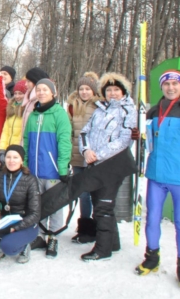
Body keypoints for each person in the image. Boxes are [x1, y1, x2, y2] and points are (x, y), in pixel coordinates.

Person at [77, 72, 136, 261]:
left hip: (112, 165)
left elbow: (123, 140)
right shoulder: (100, 109)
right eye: (109, 90)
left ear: (123, 91)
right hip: (94, 163)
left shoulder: (128, 110)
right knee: (100, 203)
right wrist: (86, 151)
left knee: (103, 206)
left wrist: (98, 155)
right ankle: (113, 241)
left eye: (116, 90)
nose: (112, 93)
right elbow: (85, 132)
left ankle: (103, 248)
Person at [137, 70, 180, 279]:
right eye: (167, 84)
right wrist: (138, 133)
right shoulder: (154, 110)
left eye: (175, 84)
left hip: (179, 177)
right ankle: (152, 257)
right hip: (155, 175)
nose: (171, 88)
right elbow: (146, 136)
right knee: (152, 218)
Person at [23, 78, 72, 258]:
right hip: (35, 170)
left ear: (53, 92)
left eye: (45, 89)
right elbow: (27, 141)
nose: (41, 92)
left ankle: (54, 236)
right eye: (39, 89)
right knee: (38, 203)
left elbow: (64, 142)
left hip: (52, 170)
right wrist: (26, 164)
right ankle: (41, 234)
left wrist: (62, 168)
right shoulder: (34, 115)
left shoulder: (59, 114)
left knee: (55, 205)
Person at [0, 145, 40, 265]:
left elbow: (35, 214)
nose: (11, 160)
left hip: (26, 222)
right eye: (8, 157)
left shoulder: (30, 180)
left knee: (9, 247)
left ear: (21, 160)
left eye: (15, 157)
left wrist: (15, 228)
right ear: (4, 159)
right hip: (6, 220)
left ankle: (24, 246)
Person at [67, 72, 100, 243]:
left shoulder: (100, 106)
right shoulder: (73, 105)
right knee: (83, 194)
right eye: (82, 89)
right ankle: (85, 228)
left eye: (88, 89)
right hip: (78, 157)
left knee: (96, 193)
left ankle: (98, 226)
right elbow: (69, 131)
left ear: (93, 91)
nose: (84, 92)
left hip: (95, 156)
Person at [0, 80, 27, 153]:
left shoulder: (27, 110)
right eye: (15, 93)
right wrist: (2, 148)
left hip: (19, 150)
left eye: (20, 93)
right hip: (8, 149)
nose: (17, 96)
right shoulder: (11, 108)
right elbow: (5, 131)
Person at [21, 67, 49, 137]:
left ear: (36, 81)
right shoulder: (30, 99)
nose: (25, 84)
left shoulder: (41, 101)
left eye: (28, 81)